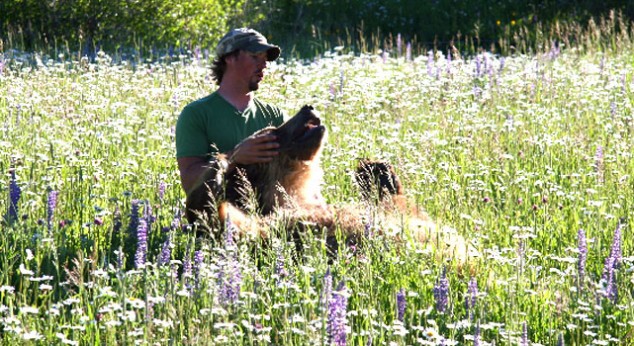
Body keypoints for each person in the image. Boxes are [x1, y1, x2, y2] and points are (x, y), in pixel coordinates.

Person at [175, 28, 285, 196]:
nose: (263, 65)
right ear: (229, 58)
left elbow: (291, 176)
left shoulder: (274, 115)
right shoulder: (196, 114)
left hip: (269, 217)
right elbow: (189, 182)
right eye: (255, 57)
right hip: (218, 217)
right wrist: (233, 158)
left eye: (265, 59)